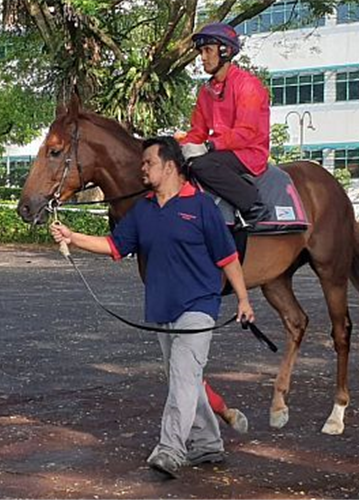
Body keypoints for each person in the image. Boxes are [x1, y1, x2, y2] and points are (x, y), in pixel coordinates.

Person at [50, 136, 255, 479]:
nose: (142, 168)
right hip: (161, 309)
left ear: (170, 167)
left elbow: (228, 257)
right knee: (185, 379)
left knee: (183, 377)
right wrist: (73, 238)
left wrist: (244, 299)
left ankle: (171, 449)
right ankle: (207, 444)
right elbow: (115, 246)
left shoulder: (201, 206)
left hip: (199, 306)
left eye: (148, 163)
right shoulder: (143, 209)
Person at [177, 22, 271, 223]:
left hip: (248, 153)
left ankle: (254, 205)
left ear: (225, 51)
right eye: (201, 51)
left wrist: (208, 146)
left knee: (201, 165)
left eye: (208, 50)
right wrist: (181, 148)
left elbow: (245, 133)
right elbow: (197, 132)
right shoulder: (206, 91)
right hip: (220, 152)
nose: (202, 57)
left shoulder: (248, 85)